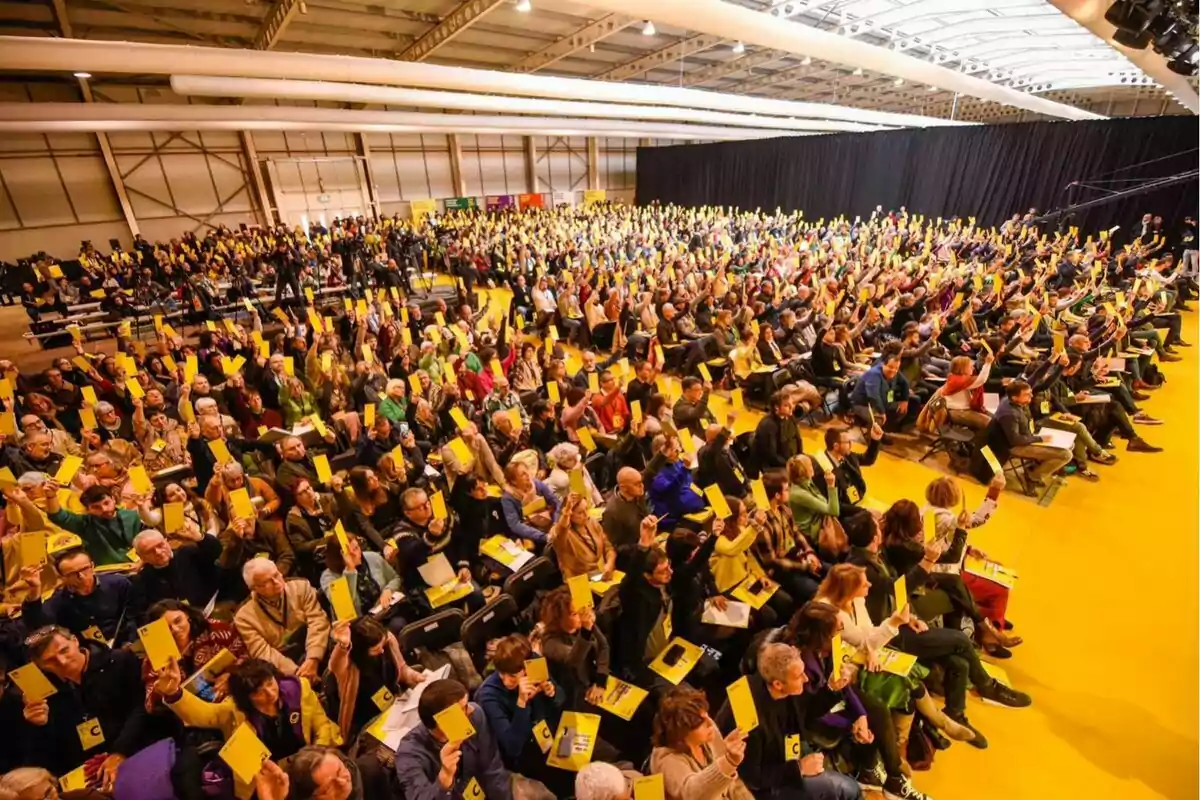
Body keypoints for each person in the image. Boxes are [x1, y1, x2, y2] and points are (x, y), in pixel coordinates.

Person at [152, 657, 342, 797]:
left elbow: (321, 725)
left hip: (308, 762)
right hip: (267, 777)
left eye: (270, 683)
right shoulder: (235, 709)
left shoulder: (299, 689)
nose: (269, 693)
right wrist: (173, 692)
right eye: (259, 692)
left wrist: (315, 758)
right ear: (246, 697)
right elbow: (203, 714)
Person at [714, 642, 863, 800]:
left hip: (785, 752)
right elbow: (752, 778)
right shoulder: (746, 714)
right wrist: (799, 768)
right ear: (778, 684)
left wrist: (832, 688)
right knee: (849, 790)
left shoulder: (785, 687)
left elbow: (806, 711)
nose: (805, 679)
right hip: (765, 786)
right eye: (799, 676)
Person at [17, 625, 153, 787]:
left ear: (75, 641)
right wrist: (38, 726)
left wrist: (119, 752)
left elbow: (141, 708)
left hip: (137, 751)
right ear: (40, 666)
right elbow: (50, 754)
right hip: (89, 773)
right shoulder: (48, 696)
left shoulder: (120, 662)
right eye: (50, 660)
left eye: (64, 650)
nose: (62, 661)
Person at [475, 634, 571, 795]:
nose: (506, 681)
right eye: (502, 673)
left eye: (513, 676)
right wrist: (521, 703)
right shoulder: (488, 695)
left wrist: (551, 693)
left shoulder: (534, 663)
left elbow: (562, 699)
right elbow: (512, 747)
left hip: (547, 736)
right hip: (524, 758)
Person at [394, 678, 517, 800]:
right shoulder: (409, 754)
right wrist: (444, 780)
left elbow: (491, 767)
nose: (471, 710)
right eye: (463, 709)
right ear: (442, 722)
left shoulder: (475, 716)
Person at [326, 617, 426, 741]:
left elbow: (402, 668)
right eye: (375, 649)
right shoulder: (347, 669)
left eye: (382, 645)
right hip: (366, 724)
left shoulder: (387, 642)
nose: (382, 650)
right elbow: (336, 663)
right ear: (361, 650)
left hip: (395, 707)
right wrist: (343, 645)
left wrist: (415, 676)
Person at [233, 558, 331, 680]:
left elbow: (318, 621)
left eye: (276, 574)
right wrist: (298, 673)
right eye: (267, 582)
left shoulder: (301, 586)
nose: (276, 581)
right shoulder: (244, 616)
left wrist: (313, 659)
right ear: (254, 588)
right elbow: (263, 652)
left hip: (315, 645)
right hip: (285, 663)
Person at [140, 598, 248, 708]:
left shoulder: (215, 630)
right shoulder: (155, 656)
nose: (175, 629)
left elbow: (246, 657)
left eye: (178, 621)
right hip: (185, 712)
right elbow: (150, 705)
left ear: (187, 615)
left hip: (228, 696)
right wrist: (162, 691)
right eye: (167, 628)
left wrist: (232, 676)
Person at [649, 686, 752, 800]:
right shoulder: (667, 760)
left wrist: (726, 755)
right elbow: (693, 794)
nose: (710, 723)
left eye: (706, 715)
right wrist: (728, 761)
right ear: (682, 732)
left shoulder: (706, 734)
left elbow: (733, 785)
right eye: (700, 723)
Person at [19, 549, 139, 646]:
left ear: (92, 566)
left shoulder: (118, 584)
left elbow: (134, 615)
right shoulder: (59, 600)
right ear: (62, 577)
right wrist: (35, 588)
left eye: (84, 569)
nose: (81, 576)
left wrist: (129, 642)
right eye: (72, 574)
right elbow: (39, 626)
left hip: (123, 643)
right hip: (87, 653)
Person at [984, 379, 1072, 489]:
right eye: (1027, 394)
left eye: (1030, 392)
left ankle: (1037, 466)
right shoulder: (1010, 414)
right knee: (1066, 455)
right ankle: (1033, 477)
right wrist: (1040, 439)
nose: (1031, 395)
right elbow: (1015, 440)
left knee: (1070, 445)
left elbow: (1039, 380)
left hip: (1028, 435)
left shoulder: (1016, 401)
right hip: (1015, 446)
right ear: (1015, 397)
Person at [319, 533, 405, 633]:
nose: (358, 553)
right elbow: (346, 609)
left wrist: (388, 589)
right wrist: (350, 570)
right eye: (353, 551)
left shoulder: (372, 557)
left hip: (384, 613)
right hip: (358, 626)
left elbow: (395, 578)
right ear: (340, 556)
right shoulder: (328, 578)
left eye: (357, 547)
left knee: (399, 623)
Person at [44, 482, 141, 567]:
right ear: (88, 510)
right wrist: (51, 496)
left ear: (113, 499)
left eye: (106, 503)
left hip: (138, 564)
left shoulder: (132, 516)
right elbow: (58, 516)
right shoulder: (85, 523)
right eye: (96, 507)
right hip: (106, 571)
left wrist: (140, 564)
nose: (104, 509)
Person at [130, 527, 222, 609]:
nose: (158, 552)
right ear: (141, 556)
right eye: (149, 551)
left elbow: (215, 551)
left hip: (213, 609)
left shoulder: (188, 554)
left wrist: (199, 537)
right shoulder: (143, 579)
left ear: (167, 541)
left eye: (160, 545)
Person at [810, 424, 882, 518]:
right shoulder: (823, 470)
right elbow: (835, 505)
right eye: (848, 442)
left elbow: (867, 459)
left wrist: (875, 440)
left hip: (857, 500)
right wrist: (864, 511)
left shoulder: (847, 456)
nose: (851, 444)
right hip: (845, 514)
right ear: (836, 446)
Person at [551, 493, 617, 580]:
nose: (586, 515)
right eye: (580, 513)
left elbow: (608, 548)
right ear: (570, 515)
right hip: (579, 581)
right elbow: (560, 534)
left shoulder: (592, 522)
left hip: (599, 575)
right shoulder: (560, 532)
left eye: (586, 509)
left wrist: (610, 563)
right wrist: (566, 513)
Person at [752, 390, 801, 471]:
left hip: (792, 460)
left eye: (792, 403)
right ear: (776, 407)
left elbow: (798, 439)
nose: (791, 407)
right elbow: (772, 455)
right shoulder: (768, 425)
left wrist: (800, 457)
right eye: (786, 405)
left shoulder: (790, 417)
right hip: (775, 465)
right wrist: (789, 464)